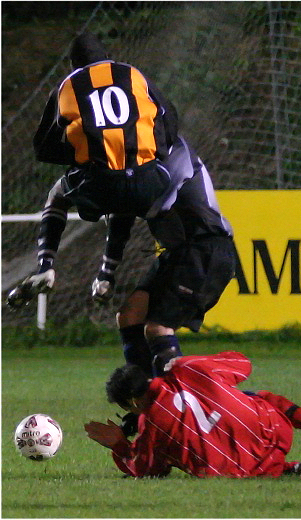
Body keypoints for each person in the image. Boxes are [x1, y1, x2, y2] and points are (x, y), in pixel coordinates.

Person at [7, 32, 236, 376]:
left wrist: (83, 153)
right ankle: (146, 406)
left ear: (74, 65)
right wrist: (107, 271)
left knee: (58, 194)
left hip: (203, 247)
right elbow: (168, 119)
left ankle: (46, 265)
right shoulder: (138, 90)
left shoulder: (70, 84)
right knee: (130, 315)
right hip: (165, 225)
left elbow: (44, 148)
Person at [84, 351, 301, 478]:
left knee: (213, 460)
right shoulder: (187, 367)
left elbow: (145, 469)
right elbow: (243, 364)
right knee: (258, 397)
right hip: (275, 430)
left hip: (245, 470)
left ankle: (294, 469)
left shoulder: (150, 426)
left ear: (132, 401)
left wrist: (118, 443)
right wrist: (193, 365)